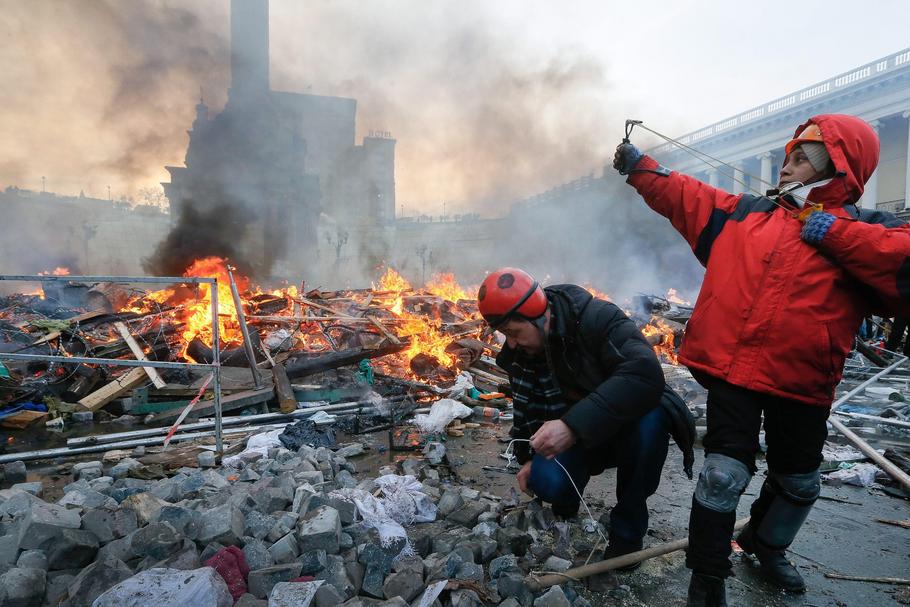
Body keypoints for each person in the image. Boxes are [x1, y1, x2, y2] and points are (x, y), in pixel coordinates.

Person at [613, 114, 910, 606]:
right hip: (736, 371)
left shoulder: (866, 230)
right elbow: (686, 194)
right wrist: (640, 168)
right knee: (723, 474)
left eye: (801, 159)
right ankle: (706, 578)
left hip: (805, 381)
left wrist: (834, 233)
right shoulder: (746, 213)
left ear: (839, 169)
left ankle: (766, 545)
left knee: (799, 481)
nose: (786, 167)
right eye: (788, 156)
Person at [474, 268, 695, 565]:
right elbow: (525, 411)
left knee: (652, 418)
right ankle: (567, 498)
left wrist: (572, 426)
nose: (510, 343)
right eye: (505, 335)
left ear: (540, 316)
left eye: (514, 333)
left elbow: (645, 375)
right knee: (546, 482)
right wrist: (529, 457)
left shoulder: (598, 317)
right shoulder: (522, 352)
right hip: (583, 435)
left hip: (624, 426)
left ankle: (627, 534)